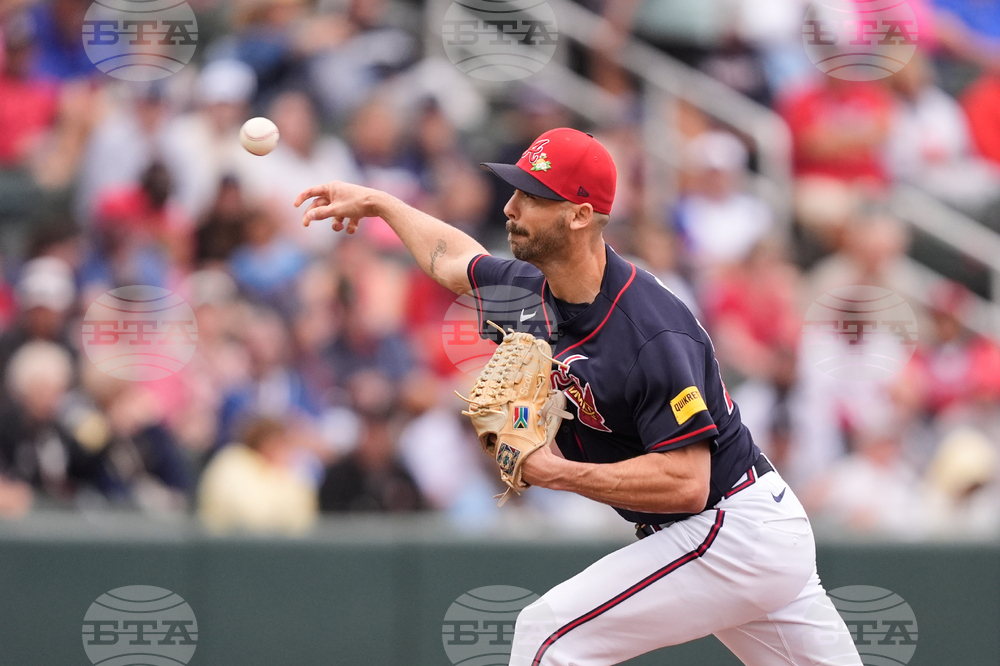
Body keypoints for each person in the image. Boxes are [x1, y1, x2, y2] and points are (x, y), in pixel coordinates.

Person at [294, 128, 861, 666]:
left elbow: (687, 482)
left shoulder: (650, 331)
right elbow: (451, 260)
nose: (510, 207)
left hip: (729, 525)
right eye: (514, 191)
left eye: (532, 196)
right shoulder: (532, 291)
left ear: (580, 215)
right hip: (746, 534)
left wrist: (554, 472)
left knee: (546, 636)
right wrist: (382, 204)